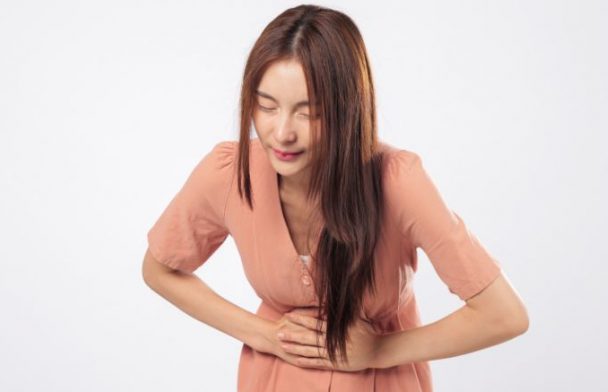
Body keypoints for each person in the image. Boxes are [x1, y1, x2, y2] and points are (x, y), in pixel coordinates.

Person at [142, 4, 529, 391]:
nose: (282, 132)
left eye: (309, 112)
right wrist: (260, 333)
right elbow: (160, 269)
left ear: (348, 110)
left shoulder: (399, 182)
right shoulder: (229, 172)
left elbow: (503, 314)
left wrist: (378, 350)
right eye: (266, 106)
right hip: (272, 378)